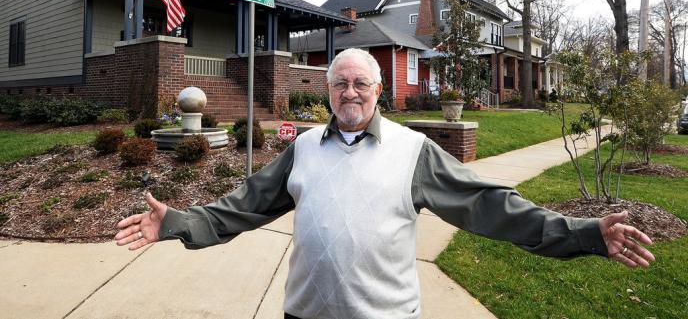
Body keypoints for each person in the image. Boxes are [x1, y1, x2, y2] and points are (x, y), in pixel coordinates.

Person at [115, 48, 655, 319]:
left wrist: (586, 234)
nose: (350, 92)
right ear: (326, 90)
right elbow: (241, 207)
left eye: (361, 83)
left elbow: (493, 207)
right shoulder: (302, 148)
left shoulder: (413, 152)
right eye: (340, 83)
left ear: (378, 91)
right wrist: (179, 223)